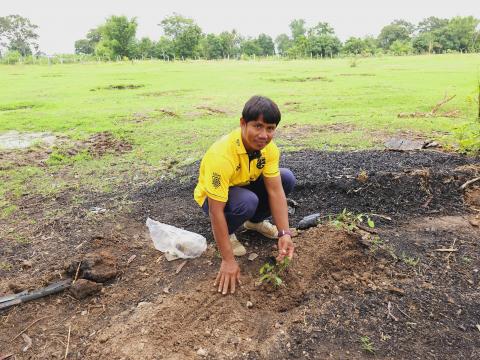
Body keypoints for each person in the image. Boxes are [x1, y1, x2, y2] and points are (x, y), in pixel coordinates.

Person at [194, 95, 296, 295]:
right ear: (243, 123)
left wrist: (285, 233)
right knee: (246, 201)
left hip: (244, 186)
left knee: (286, 178)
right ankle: (228, 233)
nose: (264, 135)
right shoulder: (221, 156)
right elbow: (216, 210)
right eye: (257, 126)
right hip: (214, 198)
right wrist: (228, 259)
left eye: (270, 128)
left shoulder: (269, 149)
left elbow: (275, 191)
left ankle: (255, 223)